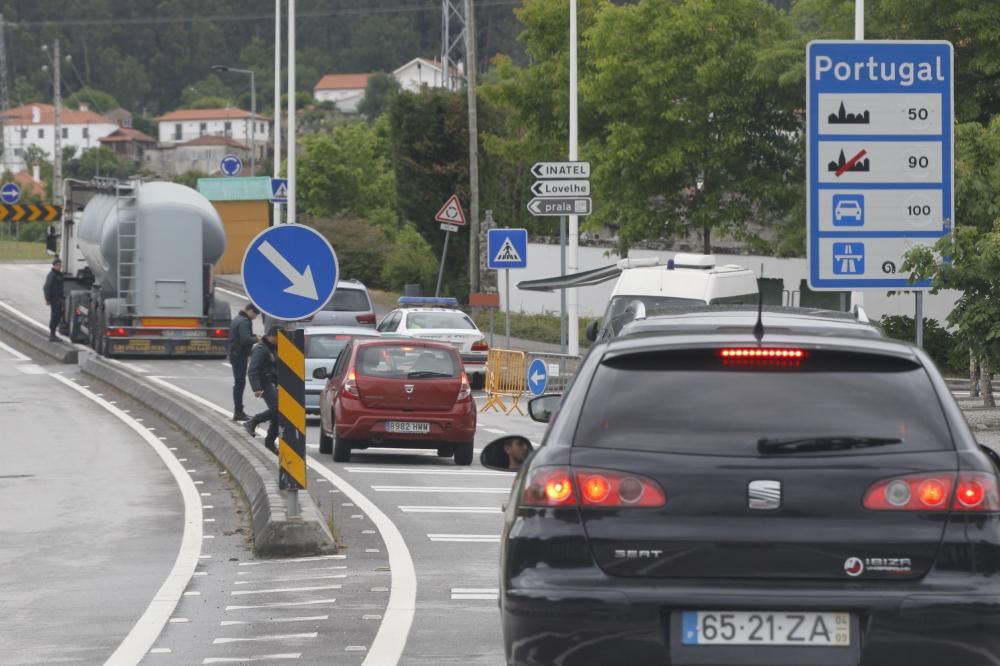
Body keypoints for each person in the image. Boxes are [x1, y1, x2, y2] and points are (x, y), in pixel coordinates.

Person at [244, 324, 281, 455]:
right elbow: (253, 370)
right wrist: (257, 387)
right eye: (278, 338)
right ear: (271, 336)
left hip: (274, 382)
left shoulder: (273, 348)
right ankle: (253, 421)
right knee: (278, 407)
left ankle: (270, 443)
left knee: (278, 414)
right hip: (264, 383)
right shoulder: (261, 349)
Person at [227, 303, 260, 421]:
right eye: (255, 314)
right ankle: (238, 412)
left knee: (239, 383)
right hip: (239, 355)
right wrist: (256, 339)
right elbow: (245, 339)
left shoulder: (237, 319)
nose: (255, 317)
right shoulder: (245, 321)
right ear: (249, 310)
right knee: (240, 383)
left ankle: (239, 411)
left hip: (234, 353)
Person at [43, 258, 64, 341]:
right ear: (54, 266)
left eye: (60, 265)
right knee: (54, 316)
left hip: (59, 299)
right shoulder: (52, 275)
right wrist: (48, 299)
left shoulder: (59, 275)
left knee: (58, 316)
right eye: (57, 265)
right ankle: (52, 335)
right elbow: (46, 287)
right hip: (54, 300)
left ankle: (54, 334)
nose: (59, 266)